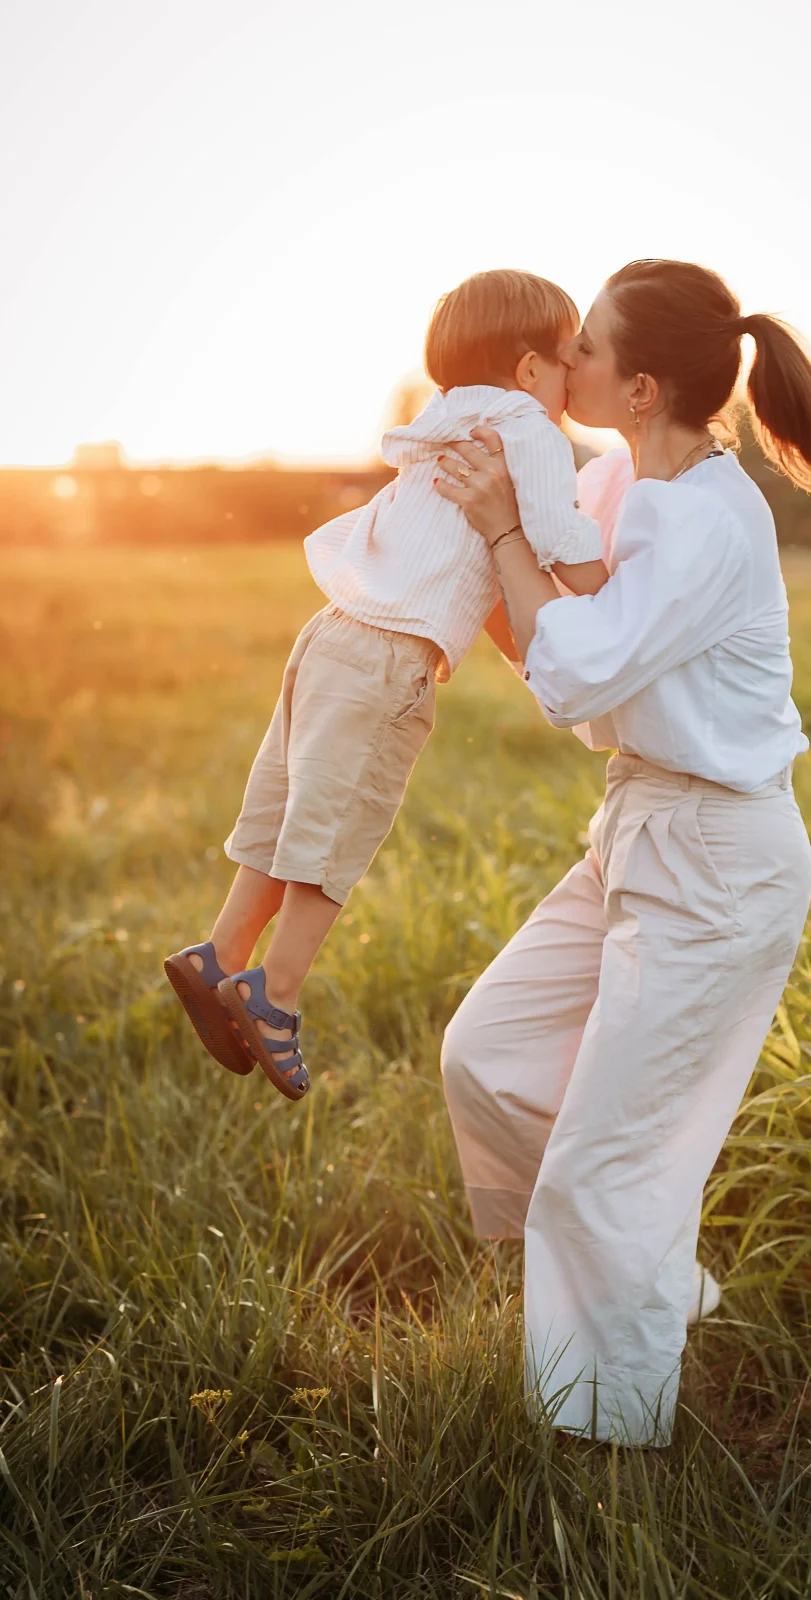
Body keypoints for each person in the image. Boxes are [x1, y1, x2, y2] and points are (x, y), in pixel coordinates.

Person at [435, 258, 811, 1448]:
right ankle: (649, 1277)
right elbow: (576, 686)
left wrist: (498, 535)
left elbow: (574, 665)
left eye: (583, 346)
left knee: (600, 1170)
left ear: (637, 386)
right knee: (486, 1052)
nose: (558, 357)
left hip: (719, 867)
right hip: (636, 827)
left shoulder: (711, 522)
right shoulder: (622, 472)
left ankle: (605, 1447)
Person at [164, 270, 607, 1101]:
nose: (572, 378)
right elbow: (559, 544)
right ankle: (275, 993)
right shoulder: (531, 433)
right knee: (337, 831)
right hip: (390, 660)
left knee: (289, 810)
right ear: (526, 371)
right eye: (564, 359)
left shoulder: (444, 419)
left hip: (328, 637)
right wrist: (609, 577)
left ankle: (220, 952)